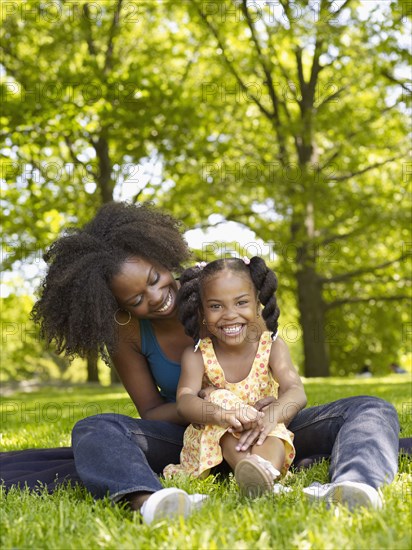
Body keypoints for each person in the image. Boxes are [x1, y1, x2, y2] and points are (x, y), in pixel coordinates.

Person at [0, 202, 401, 520]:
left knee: (371, 408)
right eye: (136, 299)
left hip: (273, 426)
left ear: (162, 256)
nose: (156, 297)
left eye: (155, 278)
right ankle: (151, 503)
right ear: (117, 307)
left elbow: (274, 362)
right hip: (191, 435)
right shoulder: (127, 336)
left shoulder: (216, 290)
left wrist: (266, 412)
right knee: (94, 428)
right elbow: (152, 413)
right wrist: (214, 409)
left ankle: (355, 486)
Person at [163, 257, 306, 497]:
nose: (230, 315)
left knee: (272, 434)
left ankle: (264, 475)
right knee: (220, 403)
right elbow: (184, 401)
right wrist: (223, 415)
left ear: (258, 304)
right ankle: (250, 472)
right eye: (216, 306)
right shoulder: (197, 354)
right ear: (202, 312)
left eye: (241, 303)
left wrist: (271, 416)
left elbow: (296, 390)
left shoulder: (271, 346)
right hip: (221, 433)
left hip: (262, 424)